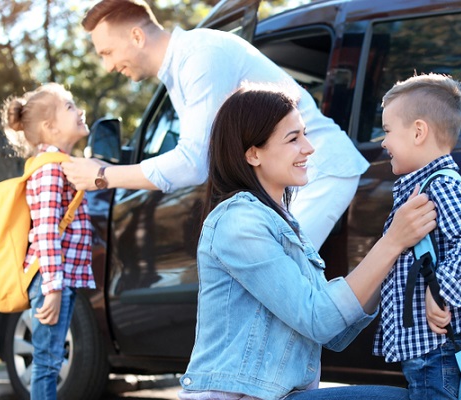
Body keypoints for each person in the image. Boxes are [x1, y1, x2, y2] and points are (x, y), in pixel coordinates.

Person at [177, 85, 436, 399]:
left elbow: (335, 331)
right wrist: (391, 242)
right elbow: (320, 320)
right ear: (253, 153)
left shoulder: (282, 221)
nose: (309, 148)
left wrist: (401, 253)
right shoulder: (239, 222)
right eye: (293, 139)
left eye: (305, 134)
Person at [62, 0, 369, 247]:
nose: (108, 65)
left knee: (278, 287)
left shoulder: (200, 56)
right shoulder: (182, 68)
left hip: (318, 172)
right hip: (290, 181)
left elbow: (193, 163)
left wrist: (103, 175)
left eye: (107, 52)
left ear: (137, 36)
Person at [372, 74, 461, 399]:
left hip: (437, 351)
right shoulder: (423, 185)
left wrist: (440, 292)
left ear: (417, 131)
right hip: (428, 350)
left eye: (387, 131)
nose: (383, 142)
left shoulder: (441, 185)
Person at [1, 83, 96, 400]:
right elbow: (44, 230)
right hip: (50, 280)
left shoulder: (60, 164)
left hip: (56, 278)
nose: (79, 109)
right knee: (47, 362)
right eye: (70, 106)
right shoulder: (51, 169)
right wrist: (53, 287)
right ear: (49, 126)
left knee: (50, 360)